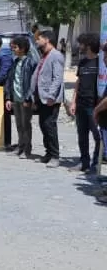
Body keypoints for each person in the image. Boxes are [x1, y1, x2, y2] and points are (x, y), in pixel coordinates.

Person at [32, 30, 66, 168]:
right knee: (43, 125)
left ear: (47, 40)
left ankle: (55, 156)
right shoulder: (44, 55)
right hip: (41, 97)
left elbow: (57, 78)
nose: (36, 41)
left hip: (50, 98)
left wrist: (52, 95)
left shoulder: (56, 55)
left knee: (50, 126)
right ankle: (48, 153)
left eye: (39, 39)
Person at [71, 33, 103, 173]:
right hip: (81, 104)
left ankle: (96, 163)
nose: (80, 46)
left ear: (88, 45)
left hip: (94, 105)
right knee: (82, 135)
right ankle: (84, 162)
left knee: (97, 136)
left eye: (81, 44)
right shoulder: (82, 62)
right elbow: (78, 82)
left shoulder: (100, 63)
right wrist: (73, 101)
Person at [4, 34, 37, 159]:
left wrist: (28, 98)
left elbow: (32, 83)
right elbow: (10, 80)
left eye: (15, 47)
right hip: (16, 99)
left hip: (25, 100)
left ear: (23, 48)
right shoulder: (15, 62)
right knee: (18, 124)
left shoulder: (30, 62)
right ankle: (20, 146)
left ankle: (27, 149)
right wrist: (8, 97)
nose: (13, 50)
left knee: (25, 125)